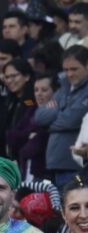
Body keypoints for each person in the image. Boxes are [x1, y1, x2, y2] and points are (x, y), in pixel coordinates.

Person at [35, 45, 88, 184]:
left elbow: (72, 119)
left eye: (74, 69)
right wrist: (61, 113)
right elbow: (39, 116)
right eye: (66, 70)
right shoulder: (64, 86)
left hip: (76, 166)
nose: (69, 74)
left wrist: (50, 122)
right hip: (57, 165)